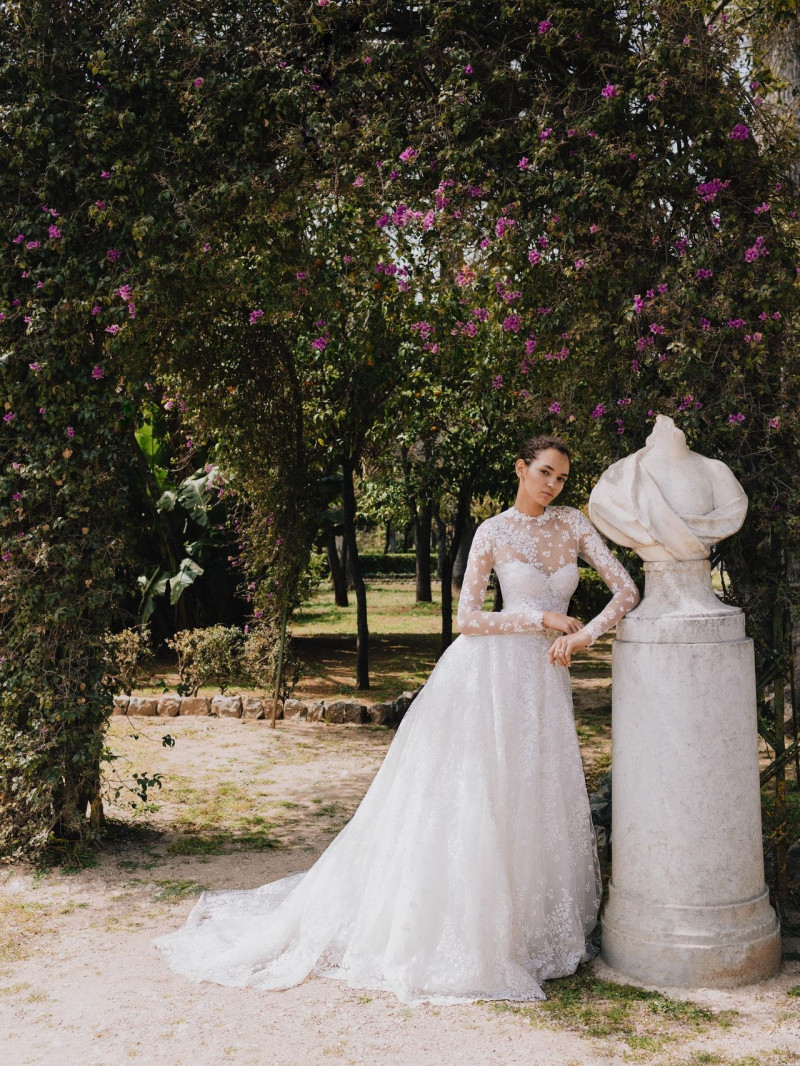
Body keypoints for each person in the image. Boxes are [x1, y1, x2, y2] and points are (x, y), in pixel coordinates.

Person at [154, 435, 640, 1006]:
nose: (553, 485)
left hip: (544, 683)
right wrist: (540, 617)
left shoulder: (574, 527)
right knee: (477, 799)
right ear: (521, 469)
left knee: (531, 797)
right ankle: (470, 929)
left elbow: (626, 589)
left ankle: (528, 930)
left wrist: (583, 635)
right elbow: (466, 620)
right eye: (544, 473)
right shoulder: (491, 531)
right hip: (488, 677)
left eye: (561, 477)